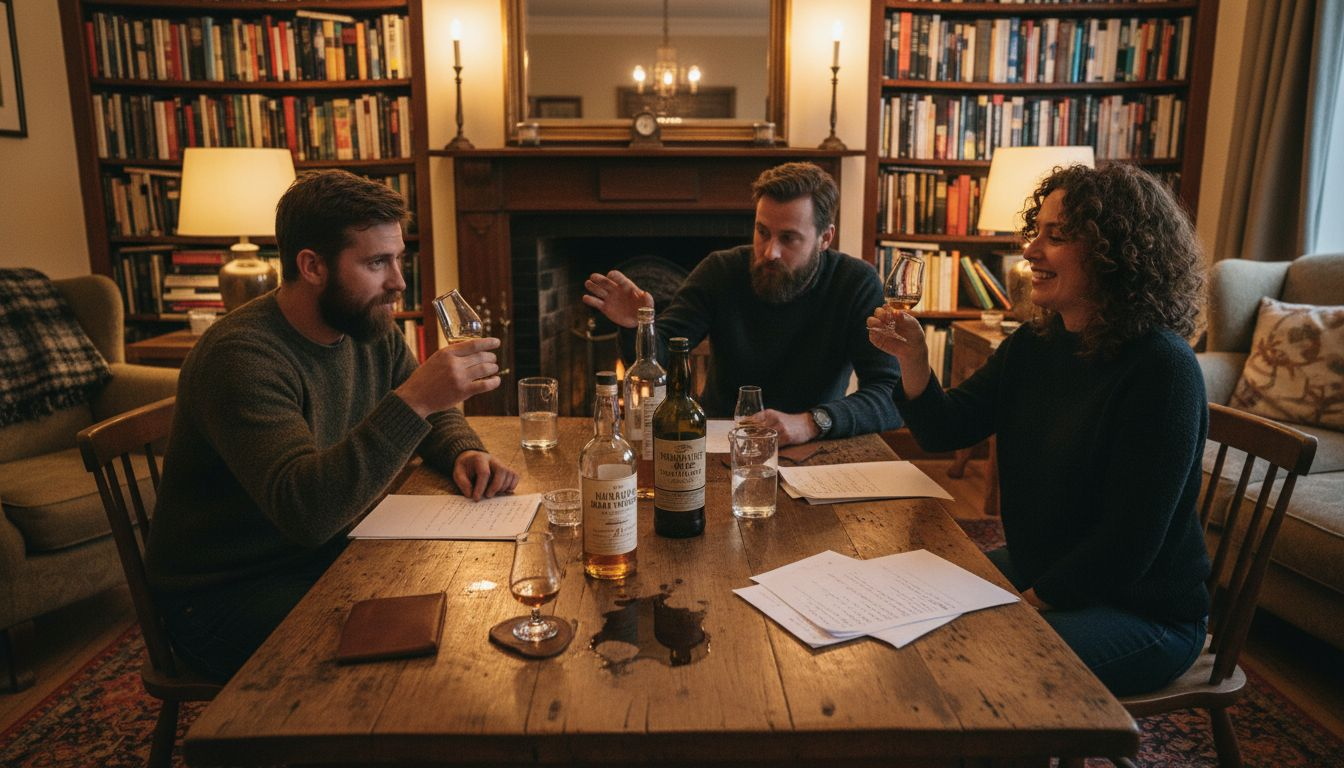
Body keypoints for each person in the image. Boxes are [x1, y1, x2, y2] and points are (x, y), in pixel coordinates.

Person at [146, 170, 518, 682]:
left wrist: (461, 451)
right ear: (312, 265)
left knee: (470, 604)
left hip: (326, 554)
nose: (398, 282)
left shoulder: (366, 326)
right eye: (376, 263)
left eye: (398, 260)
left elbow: (434, 418)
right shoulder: (242, 357)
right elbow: (306, 511)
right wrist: (414, 400)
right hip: (225, 593)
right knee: (407, 664)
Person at [867, 163, 1211, 696]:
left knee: (977, 657)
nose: (1030, 251)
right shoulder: (1034, 346)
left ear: (1114, 252)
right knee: (903, 605)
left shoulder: (1162, 370)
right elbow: (943, 429)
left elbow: (1128, 545)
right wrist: (913, 357)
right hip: (1044, 569)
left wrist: (1021, 605)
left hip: (1143, 611)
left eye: (1058, 236)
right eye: (1037, 233)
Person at [583, 162, 901, 445]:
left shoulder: (855, 282)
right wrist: (638, 326)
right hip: (723, 440)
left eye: (788, 238)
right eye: (762, 232)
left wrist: (810, 422)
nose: (769, 252)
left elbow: (893, 394)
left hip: (815, 446)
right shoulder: (721, 270)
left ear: (825, 238)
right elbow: (662, 360)